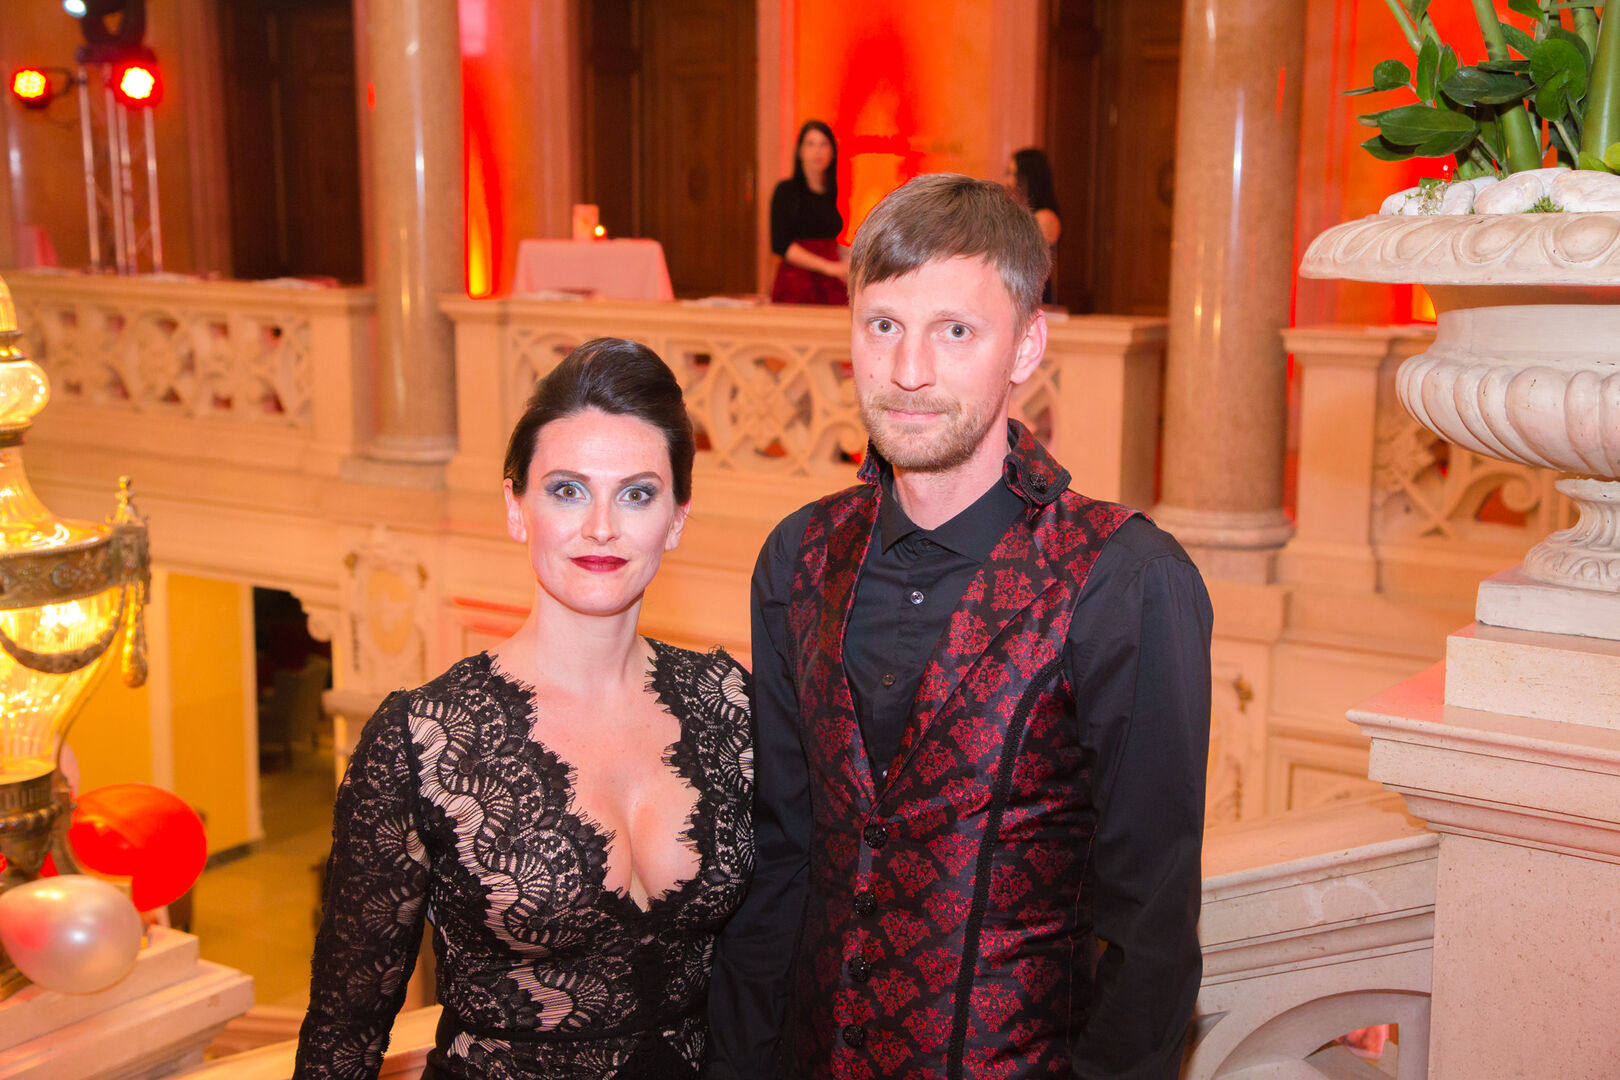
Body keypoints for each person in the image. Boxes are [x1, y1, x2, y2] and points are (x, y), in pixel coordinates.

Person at [706, 175, 1212, 1079]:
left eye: (955, 331)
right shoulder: (798, 556)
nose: (908, 371)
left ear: (1026, 346)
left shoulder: (1125, 579)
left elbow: (1151, 928)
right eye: (883, 325)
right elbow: (782, 859)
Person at [295, 339, 754, 1080]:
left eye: (637, 494)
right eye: (567, 490)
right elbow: (343, 1036)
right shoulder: (422, 741)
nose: (601, 526)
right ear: (517, 508)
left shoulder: (731, 705)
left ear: (676, 518)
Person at [769, 120, 848, 305]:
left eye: (823, 144)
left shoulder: (833, 192)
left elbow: (829, 239)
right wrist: (829, 267)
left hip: (831, 282)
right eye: (810, 144)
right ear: (800, 151)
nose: (817, 151)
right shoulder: (786, 191)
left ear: (832, 151)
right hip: (797, 282)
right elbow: (781, 245)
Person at [1004, 147, 1061, 303]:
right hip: (1021, 289)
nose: (1008, 182)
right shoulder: (1021, 213)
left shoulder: (1044, 217)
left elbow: (1026, 261)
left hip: (1032, 291)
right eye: (1007, 173)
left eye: (1014, 174)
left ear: (1030, 177)